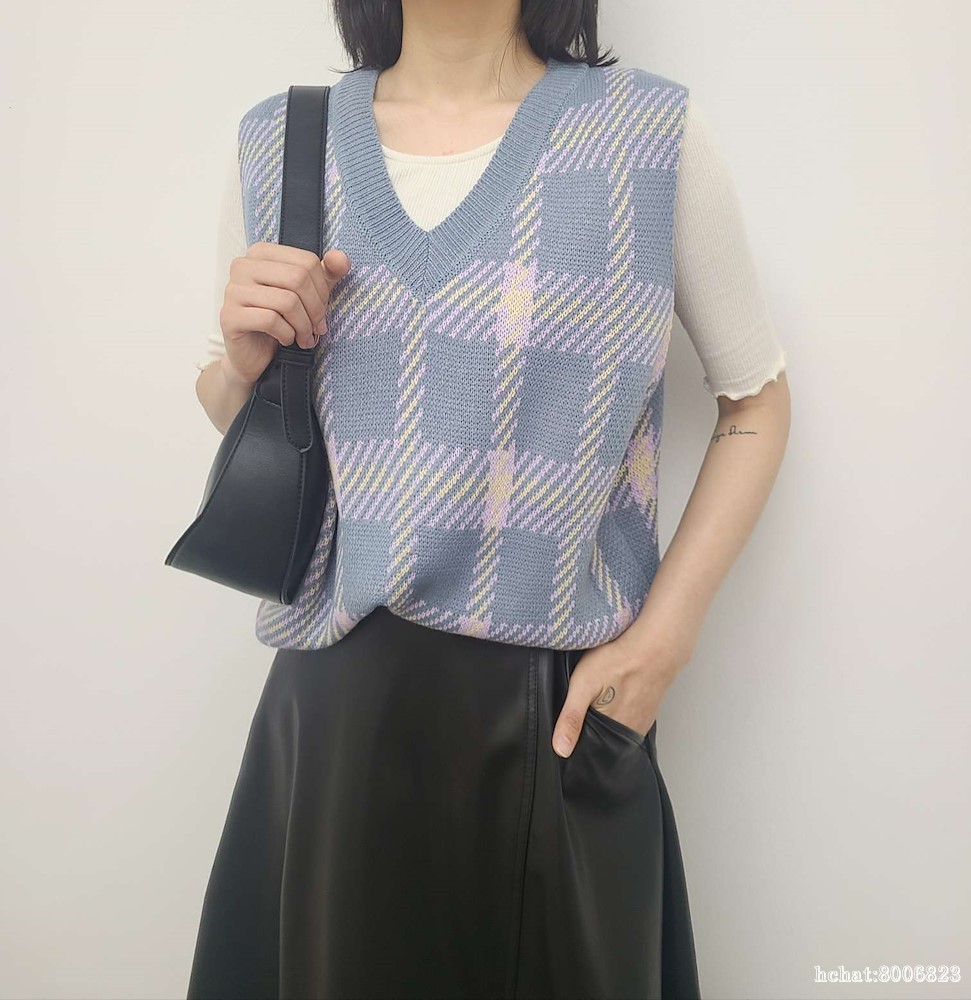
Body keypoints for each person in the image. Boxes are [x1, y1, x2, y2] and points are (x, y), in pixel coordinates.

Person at [186, 1, 791, 997]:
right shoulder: (280, 143)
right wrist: (244, 365)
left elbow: (754, 397)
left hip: (560, 717)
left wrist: (664, 638)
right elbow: (239, 410)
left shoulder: (650, 137)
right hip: (338, 722)